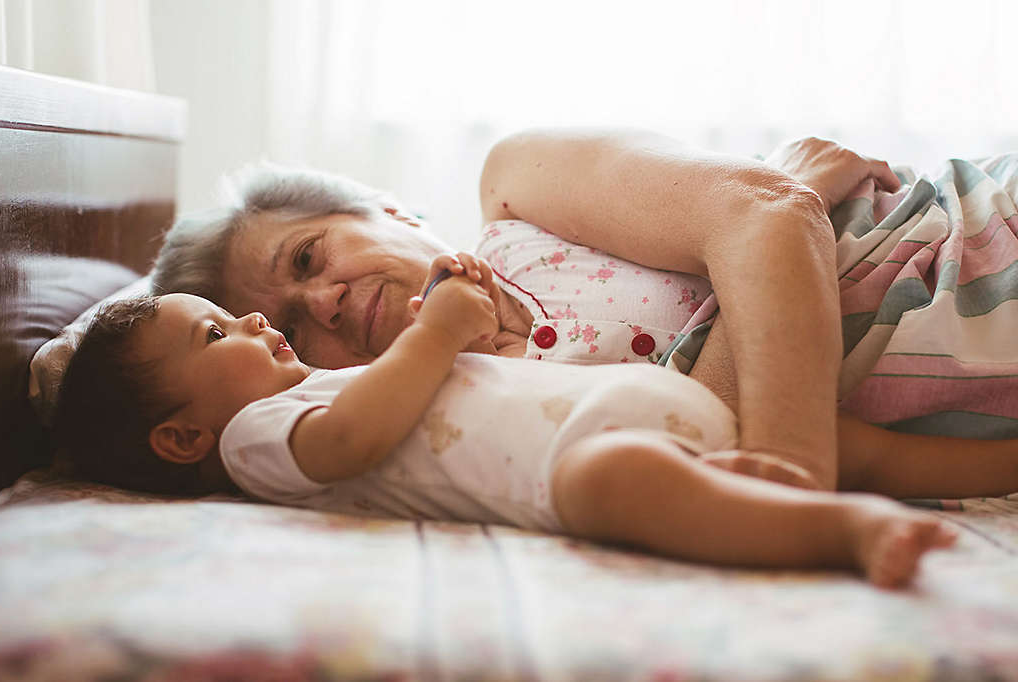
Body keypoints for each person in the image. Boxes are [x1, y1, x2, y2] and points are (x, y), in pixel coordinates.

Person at [150, 130, 1018, 495]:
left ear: (391, 211)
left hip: (974, 242)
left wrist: (785, 480)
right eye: (293, 333)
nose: (324, 302)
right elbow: (693, 440)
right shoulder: (476, 422)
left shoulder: (519, 194)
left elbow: (765, 210)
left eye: (308, 257)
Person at [55, 253, 958, 589]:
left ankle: (951, 469)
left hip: (611, 406)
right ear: (181, 438)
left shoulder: (330, 385)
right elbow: (352, 443)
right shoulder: (260, 443)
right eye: (216, 331)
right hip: (591, 453)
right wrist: (438, 335)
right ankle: (845, 525)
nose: (256, 321)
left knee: (758, 443)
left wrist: (464, 322)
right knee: (613, 483)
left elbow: (446, 397)